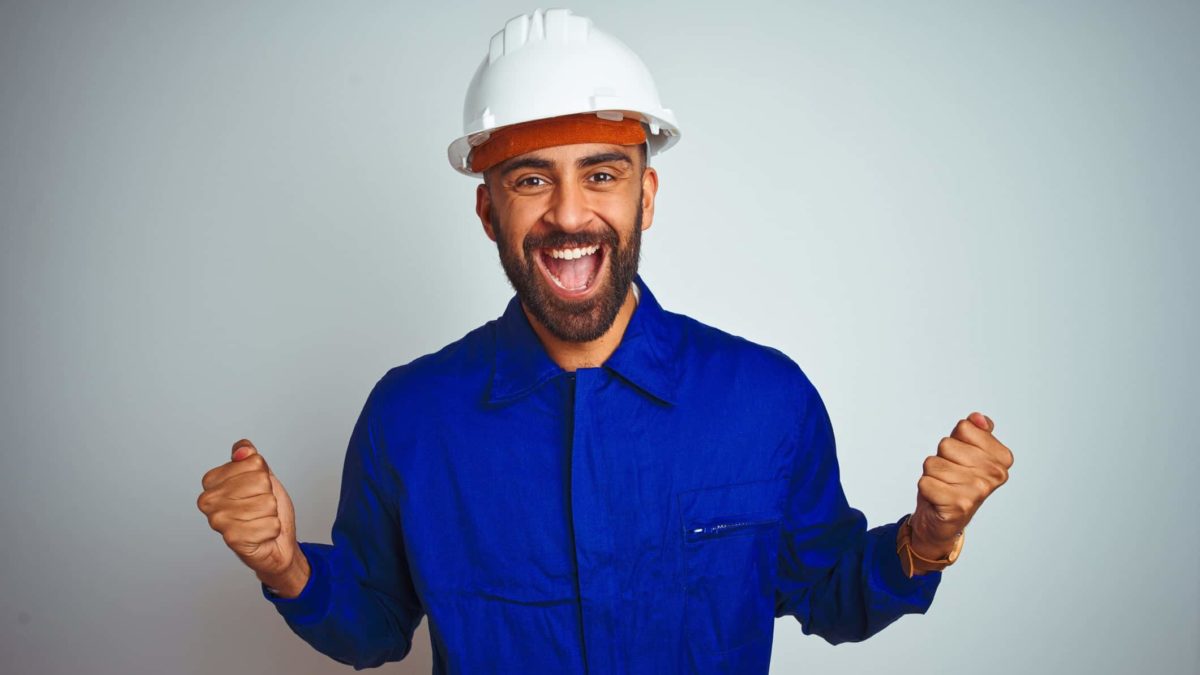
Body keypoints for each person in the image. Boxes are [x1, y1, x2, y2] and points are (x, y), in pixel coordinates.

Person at [196, 9, 1014, 673]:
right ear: (488, 212)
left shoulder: (765, 401)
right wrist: (285, 566)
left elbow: (833, 595)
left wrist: (926, 540)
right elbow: (374, 625)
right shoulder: (409, 417)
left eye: (601, 173)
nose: (569, 214)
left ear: (644, 195)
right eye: (529, 179)